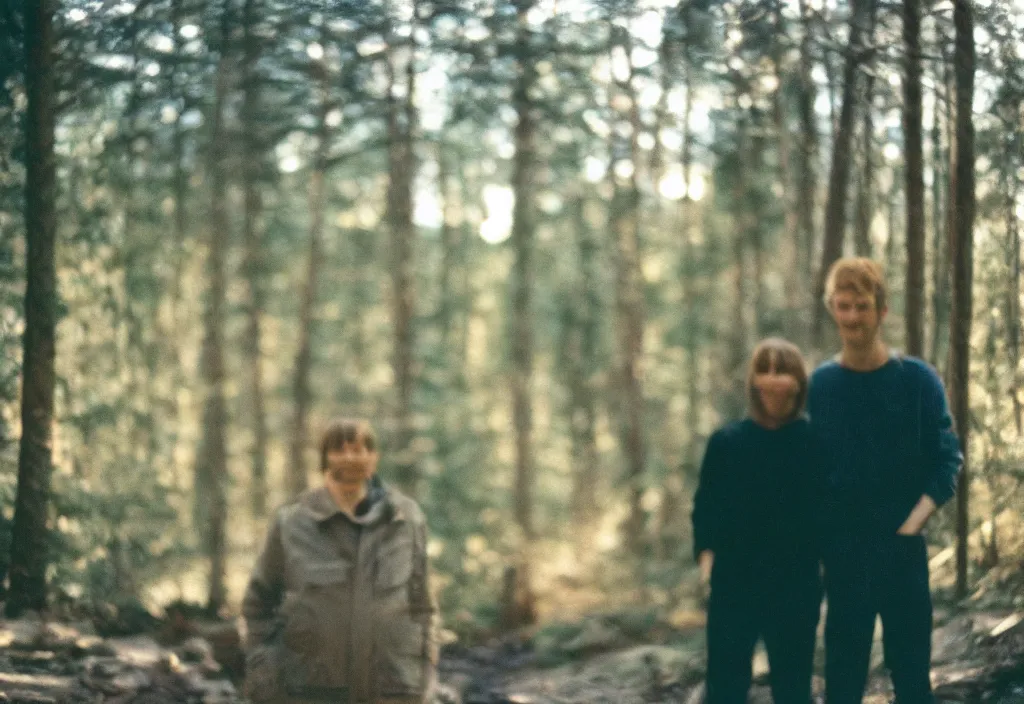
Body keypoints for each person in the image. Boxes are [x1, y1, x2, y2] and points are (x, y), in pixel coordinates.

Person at [809, 258, 962, 704]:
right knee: (843, 678)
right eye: (843, 306)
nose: (852, 317)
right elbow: (806, 471)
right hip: (844, 556)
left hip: (903, 550)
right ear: (831, 309)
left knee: (912, 676)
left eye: (861, 305)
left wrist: (912, 524)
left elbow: (947, 459)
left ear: (882, 310)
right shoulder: (820, 386)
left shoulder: (916, 380)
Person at [242, 418, 438, 704]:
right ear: (325, 459)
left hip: (393, 688)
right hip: (310, 688)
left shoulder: (406, 518)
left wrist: (424, 671)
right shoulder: (293, 522)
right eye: (340, 450)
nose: (351, 457)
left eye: (360, 449)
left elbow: (423, 604)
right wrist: (264, 668)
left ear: (374, 457)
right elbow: (258, 603)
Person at [692, 338, 823, 704]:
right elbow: (706, 509)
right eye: (763, 370)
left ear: (798, 382)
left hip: (795, 584)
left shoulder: (814, 442)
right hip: (735, 582)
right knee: (725, 684)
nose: (772, 380)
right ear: (752, 381)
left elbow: (828, 512)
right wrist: (707, 563)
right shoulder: (726, 443)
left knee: (793, 686)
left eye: (782, 371)